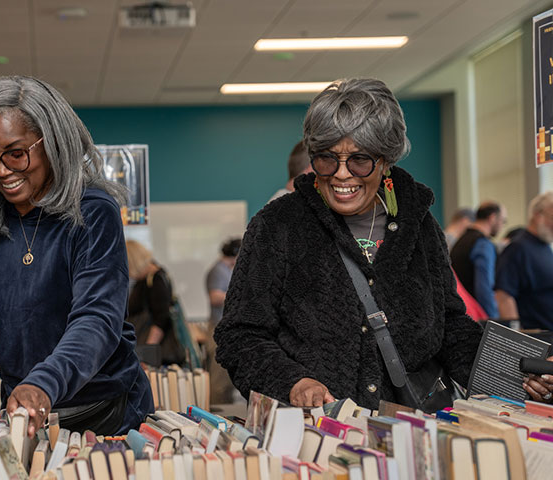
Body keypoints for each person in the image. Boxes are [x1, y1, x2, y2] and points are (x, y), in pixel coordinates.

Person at [214, 78, 490, 409]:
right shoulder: (277, 226)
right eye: (327, 159)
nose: (342, 174)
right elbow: (239, 336)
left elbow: (450, 326)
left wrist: (506, 374)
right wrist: (293, 382)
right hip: (318, 434)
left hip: (414, 425)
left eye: (360, 160)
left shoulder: (419, 225)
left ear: (386, 160)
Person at [0, 76, 153, 437]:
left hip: (100, 411)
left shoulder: (92, 211)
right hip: (25, 416)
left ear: (52, 143)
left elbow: (97, 319)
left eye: (16, 153)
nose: (1, 170)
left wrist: (43, 383)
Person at [495, 191, 553, 331]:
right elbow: (504, 296)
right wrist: (518, 340)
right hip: (539, 339)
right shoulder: (518, 248)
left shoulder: (545, 246)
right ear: (538, 215)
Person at [126, 240, 185, 366]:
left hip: (150, 348)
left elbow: (160, 319)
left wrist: (147, 354)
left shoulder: (155, 280)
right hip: (143, 346)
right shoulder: (144, 280)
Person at [450, 202, 507, 318]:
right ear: (492, 218)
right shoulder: (483, 244)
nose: (502, 225)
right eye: (503, 220)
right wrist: (493, 320)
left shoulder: (460, 241)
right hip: (476, 316)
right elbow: (484, 288)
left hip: (459, 313)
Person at [205, 237, 242, 404]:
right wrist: (242, 296)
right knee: (219, 379)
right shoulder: (218, 270)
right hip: (218, 328)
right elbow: (215, 297)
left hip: (226, 328)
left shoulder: (226, 269)